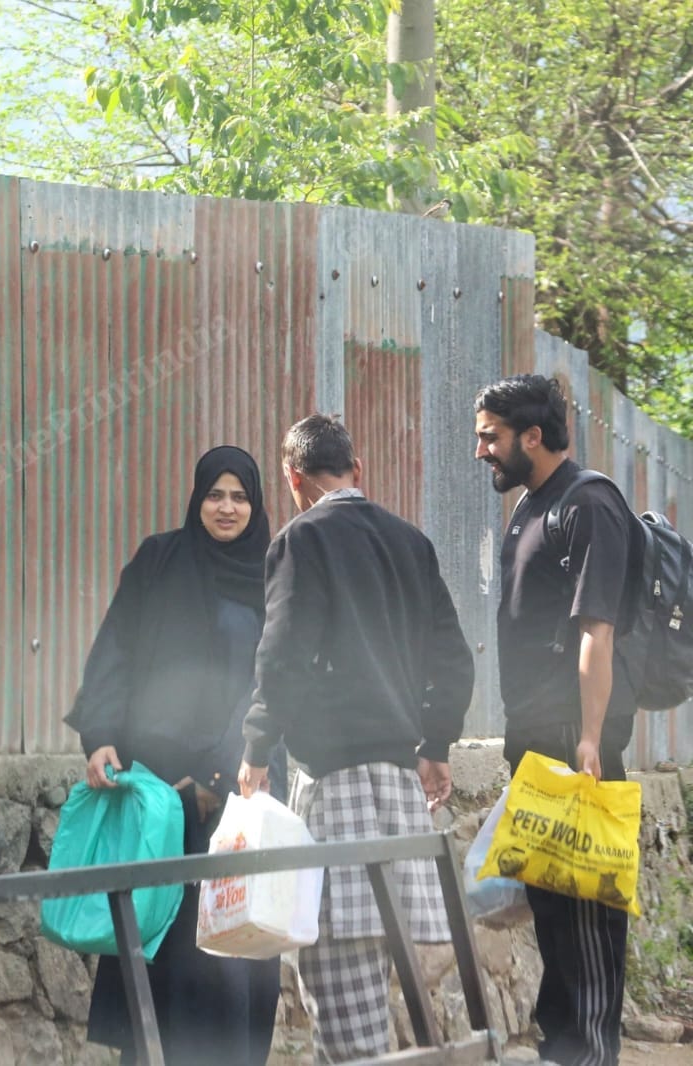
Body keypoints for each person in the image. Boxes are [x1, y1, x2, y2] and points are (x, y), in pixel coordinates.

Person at [238, 414, 474, 1064]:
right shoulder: (410, 543)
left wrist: (257, 747)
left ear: (293, 478)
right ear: (357, 470)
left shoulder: (299, 541)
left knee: (341, 1001)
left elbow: (281, 656)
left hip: (336, 790)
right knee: (378, 988)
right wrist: (435, 745)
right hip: (400, 795)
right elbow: (454, 661)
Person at [64, 445, 284, 1066]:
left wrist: (219, 770)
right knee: (154, 949)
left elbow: (272, 682)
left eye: (239, 496)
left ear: (256, 503)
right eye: (215, 494)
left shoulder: (272, 575)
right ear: (196, 499)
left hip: (234, 794)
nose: (226, 507)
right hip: (156, 798)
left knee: (224, 954)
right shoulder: (159, 560)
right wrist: (100, 733)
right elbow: (116, 650)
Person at [474, 375, 639, 1066]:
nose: (482, 449)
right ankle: (561, 1052)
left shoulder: (588, 503)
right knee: (555, 925)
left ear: (531, 437)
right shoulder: (530, 506)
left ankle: (590, 1055)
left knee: (588, 935)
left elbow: (596, 630)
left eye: (491, 436)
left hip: (579, 752)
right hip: (535, 749)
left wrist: (591, 737)